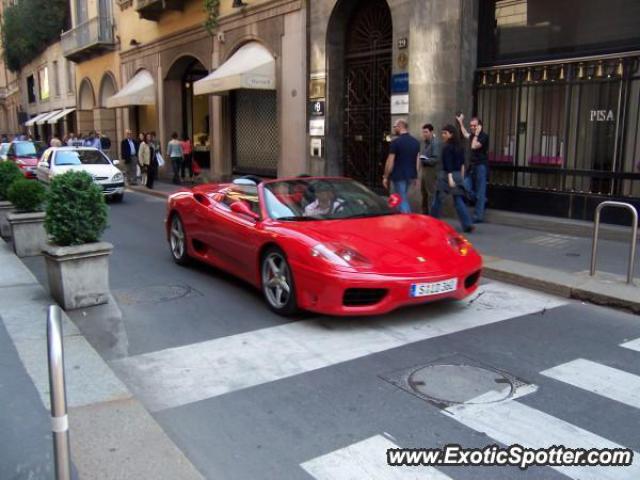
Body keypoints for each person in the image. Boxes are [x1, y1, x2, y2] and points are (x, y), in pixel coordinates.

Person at [430, 125, 474, 233]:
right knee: (458, 200)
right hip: (458, 174)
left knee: (438, 199)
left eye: (445, 133)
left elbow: (448, 164)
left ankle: (432, 222)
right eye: (442, 133)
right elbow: (463, 164)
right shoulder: (461, 147)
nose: (443, 135)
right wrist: (461, 177)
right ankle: (467, 224)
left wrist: (450, 178)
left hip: (446, 175)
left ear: (451, 134)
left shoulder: (446, 147)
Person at [382, 119, 420, 213]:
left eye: (395, 127)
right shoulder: (416, 142)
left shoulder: (396, 142)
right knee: (401, 197)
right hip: (410, 175)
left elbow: (390, 161)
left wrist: (385, 176)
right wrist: (416, 175)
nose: (394, 129)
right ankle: (401, 220)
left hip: (398, 175)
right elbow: (417, 161)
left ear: (400, 126)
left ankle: (408, 220)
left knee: (401, 199)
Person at [456, 114, 489, 223]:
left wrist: (477, 134)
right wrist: (460, 122)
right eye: (471, 126)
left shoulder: (484, 136)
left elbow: (474, 146)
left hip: (481, 167)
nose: (472, 128)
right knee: (465, 186)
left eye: (475, 126)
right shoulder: (471, 136)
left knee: (480, 191)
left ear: (480, 126)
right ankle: (482, 199)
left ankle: (478, 216)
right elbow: (465, 133)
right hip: (472, 167)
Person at [419, 123, 441, 214]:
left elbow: (436, 159)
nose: (424, 134)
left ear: (431, 132)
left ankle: (432, 216)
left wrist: (424, 160)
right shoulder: (425, 143)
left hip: (431, 172)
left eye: (426, 132)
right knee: (424, 194)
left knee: (431, 195)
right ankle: (425, 215)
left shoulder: (435, 143)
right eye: (423, 132)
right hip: (424, 172)